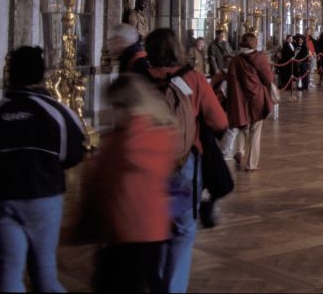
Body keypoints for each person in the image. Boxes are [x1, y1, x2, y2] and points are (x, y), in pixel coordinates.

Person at [0, 46, 86, 293]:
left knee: (8, 271)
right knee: (44, 273)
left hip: (0, 198)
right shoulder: (57, 112)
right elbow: (73, 154)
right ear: (42, 74)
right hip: (42, 196)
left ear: (10, 75)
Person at [143, 28, 228, 293]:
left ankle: (156, 283)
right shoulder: (193, 78)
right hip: (183, 162)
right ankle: (172, 288)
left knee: (149, 226)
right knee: (181, 229)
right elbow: (219, 121)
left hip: (144, 163)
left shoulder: (136, 79)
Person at [90, 73, 178, 292]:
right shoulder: (160, 132)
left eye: (114, 105)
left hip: (126, 230)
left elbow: (102, 185)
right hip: (154, 228)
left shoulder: (124, 139)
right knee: (148, 280)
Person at [212, 32, 274, 171]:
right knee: (255, 130)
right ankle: (251, 163)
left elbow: (232, 80)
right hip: (256, 98)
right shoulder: (260, 58)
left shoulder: (235, 60)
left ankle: (239, 151)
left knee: (242, 126)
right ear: (254, 43)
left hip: (240, 99)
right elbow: (268, 78)